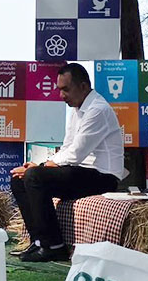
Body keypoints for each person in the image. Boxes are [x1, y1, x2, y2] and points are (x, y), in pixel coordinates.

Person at [10, 62, 127, 263]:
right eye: (59, 89)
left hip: (103, 177)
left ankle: (54, 246)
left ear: (83, 86)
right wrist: (40, 165)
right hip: (81, 172)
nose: (61, 95)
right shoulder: (76, 109)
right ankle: (39, 241)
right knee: (19, 179)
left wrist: (40, 167)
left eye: (66, 89)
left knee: (34, 176)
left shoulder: (98, 110)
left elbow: (75, 154)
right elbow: (66, 148)